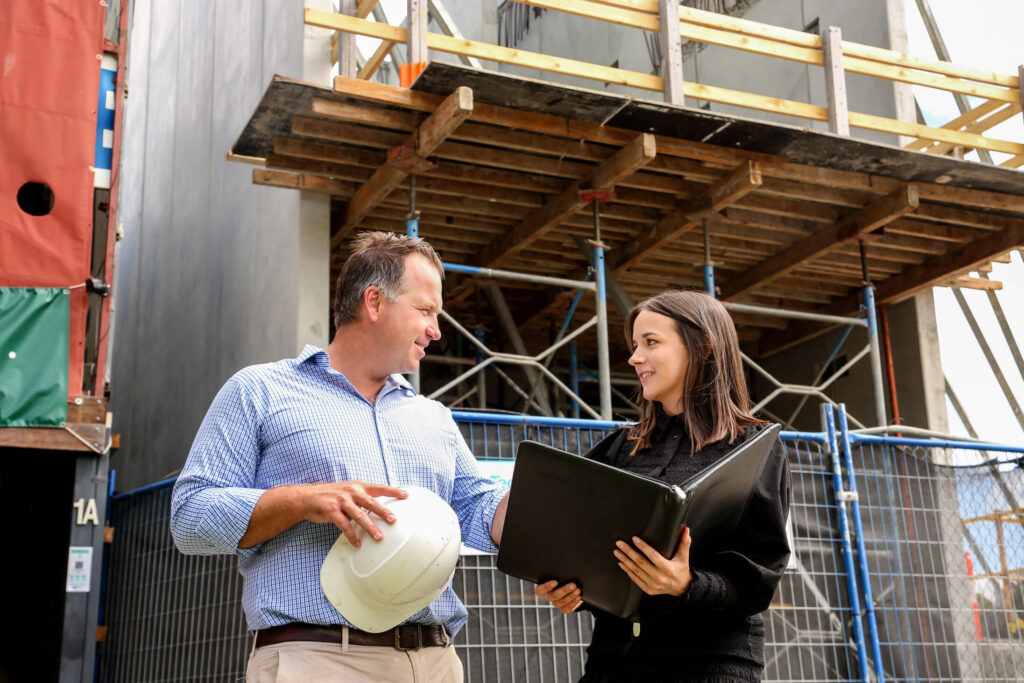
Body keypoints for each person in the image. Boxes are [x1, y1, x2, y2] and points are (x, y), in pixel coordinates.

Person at [170, 231, 509, 683]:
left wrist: (543, 497)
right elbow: (189, 519)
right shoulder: (259, 391)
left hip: (435, 662)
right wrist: (302, 501)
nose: (436, 329)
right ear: (374, 302)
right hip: (319, 660)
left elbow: (480, 510)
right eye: (425, 310)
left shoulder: (435, 418)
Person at [536, 290, 791, 682]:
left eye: (651, 342)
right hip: (615, 661)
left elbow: (758, 580)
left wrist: (687, 584)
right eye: (635, 345)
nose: (635, 358)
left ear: (702, 346)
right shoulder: (619, 448)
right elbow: (591, 548)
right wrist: (574, 589)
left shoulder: (755, 449)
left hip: (711, 663)